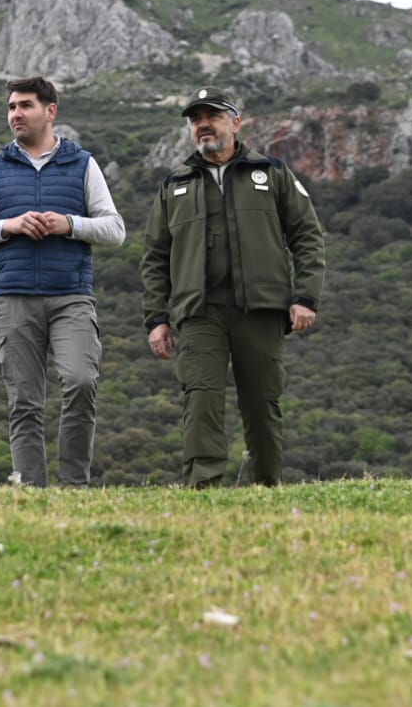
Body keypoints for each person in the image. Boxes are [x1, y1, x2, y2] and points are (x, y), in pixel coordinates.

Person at [140, 86, 326, 487]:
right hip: (199, 312)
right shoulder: (174, 184)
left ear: (235, 123)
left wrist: (305, 296)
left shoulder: (273, 173)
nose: (203, 125)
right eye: (196, 119)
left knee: (262, 402)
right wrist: (157, 318)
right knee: (201, 400)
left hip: (261, 308)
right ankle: (203, 488)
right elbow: (155, 255)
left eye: (213, 116)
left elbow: (307, 236)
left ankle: (266, 485)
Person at [0, 75, 126, 487]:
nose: (16, 113)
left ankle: (74, 487)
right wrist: (8, 225)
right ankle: (32, 491)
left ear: (51, 112)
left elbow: (116, 230)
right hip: (13, 297)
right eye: (12, 106)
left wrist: (69, 224)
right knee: (24, 402)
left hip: (72, 296)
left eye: (25, 105)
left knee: (82, 382)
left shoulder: (82, 163)